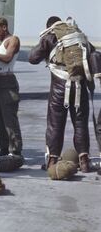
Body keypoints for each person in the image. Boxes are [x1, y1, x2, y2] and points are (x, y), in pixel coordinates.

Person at [29, 16, 95, 173]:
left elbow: (32, 58)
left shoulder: (51, 36)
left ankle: (52, 161)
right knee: (80, 124)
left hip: (59, 88)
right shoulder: (78, 35)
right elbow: (93, 55)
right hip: (80, 86)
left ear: (50, 26)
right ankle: (84, 161)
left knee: (55, 124)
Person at [0, 17, 22, 158]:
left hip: (8, 82)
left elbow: (7, 58)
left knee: (9, 119)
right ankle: (3, 149)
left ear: (4, 27)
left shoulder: (13, 40)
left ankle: (15, 151)